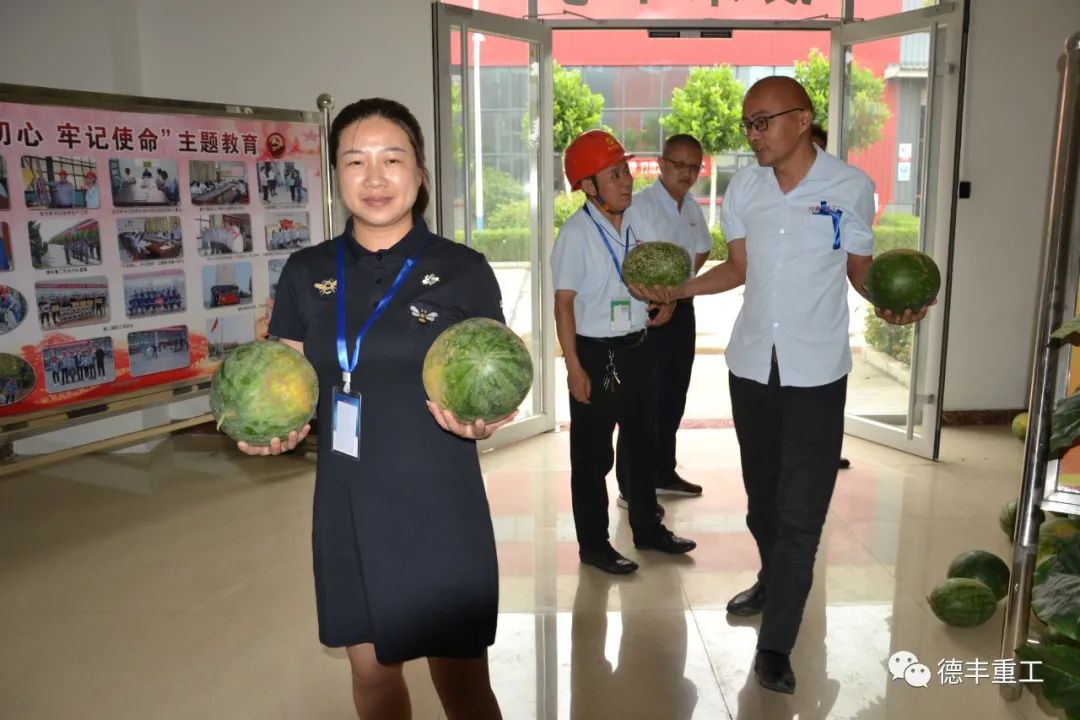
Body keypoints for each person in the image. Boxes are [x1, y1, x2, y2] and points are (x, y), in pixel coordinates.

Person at [631, 76, 934, 694]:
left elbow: (859, 270)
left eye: (763, 121)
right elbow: (739, 268)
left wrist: (888, 303)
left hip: (817, 372)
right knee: (762, 503)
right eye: (748, 124)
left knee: (801, 512)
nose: (753, 134)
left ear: (801, 119)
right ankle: (773, 580)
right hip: (751, 368)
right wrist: (679, 291)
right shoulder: (745, 189)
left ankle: (776, 643)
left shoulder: (850, 186)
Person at [235, 97, 509, 720]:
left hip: (441, 497)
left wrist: (486, 418)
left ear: (420, 173)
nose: (376, 177)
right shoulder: (305, 271)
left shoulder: (463, 269)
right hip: (349, 500)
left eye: (393, 159)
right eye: (356, 161)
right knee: (373, 677)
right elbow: (284, 380)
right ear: (336, 175)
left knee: (463, 682)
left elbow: (492, 373)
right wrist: (272, 426)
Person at [551, 129, 697, 576]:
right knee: (593, 456)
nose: (627, 181)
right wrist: (574, 367)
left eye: (626, 171)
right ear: (588, 185)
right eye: (614, 174)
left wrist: (668, 301)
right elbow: (563, 304)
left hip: (638, 348)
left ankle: (648, 529)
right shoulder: (575, 234)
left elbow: (658, 271)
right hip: (595, 354)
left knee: (642, 444)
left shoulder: (637, 222)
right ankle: (594, 545)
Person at [614, 134, 711, 508]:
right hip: (648, 313)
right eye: (678, 164)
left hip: (681, 309)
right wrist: (661, 295)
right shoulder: (640, 206)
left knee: (673, 395)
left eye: (693, 166)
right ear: (661, 164)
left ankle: (662, 473)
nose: (686, 173)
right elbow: (632, 261)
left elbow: (702, 249)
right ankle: (631, 486)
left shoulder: (691, 208)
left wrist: (680, 288)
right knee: (642, 402)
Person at [809, 122, 852, 471]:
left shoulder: (846, 190)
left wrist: (885, 301)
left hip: (824, 343)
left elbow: (859, 262)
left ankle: (825, 455)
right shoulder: (752, 187)